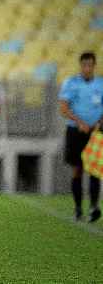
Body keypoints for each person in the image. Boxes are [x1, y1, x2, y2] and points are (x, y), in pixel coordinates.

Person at [59, 51, 102, 223]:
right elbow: (63, 108)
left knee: (95, 170)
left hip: (96, 132)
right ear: (80, 65)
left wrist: (99, 122)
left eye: (90, 65)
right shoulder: (71, 83)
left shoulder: (101, 84)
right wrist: (80, 122)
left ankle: (93, 207)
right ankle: (78, 208)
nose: (87, 68)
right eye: (84, 65)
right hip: (76, 131)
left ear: (94, 66)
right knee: (77, 169)